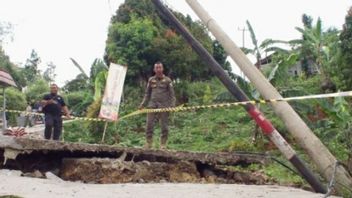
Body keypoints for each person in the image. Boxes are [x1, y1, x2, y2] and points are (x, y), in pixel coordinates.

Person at [139, 62, 176, 149]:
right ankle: (149, 143)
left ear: (162, 69)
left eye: (160, 67)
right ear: (154, 70)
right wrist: (142, 104)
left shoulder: (168, 80)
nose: (158, 69)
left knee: (164, 126)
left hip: (164, 106)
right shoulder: (151, 80)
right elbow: (147, 94)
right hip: (152, 105)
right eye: (156, 68)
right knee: (149, 125)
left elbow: (172, 95)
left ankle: (163, 144)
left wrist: (172, 105)